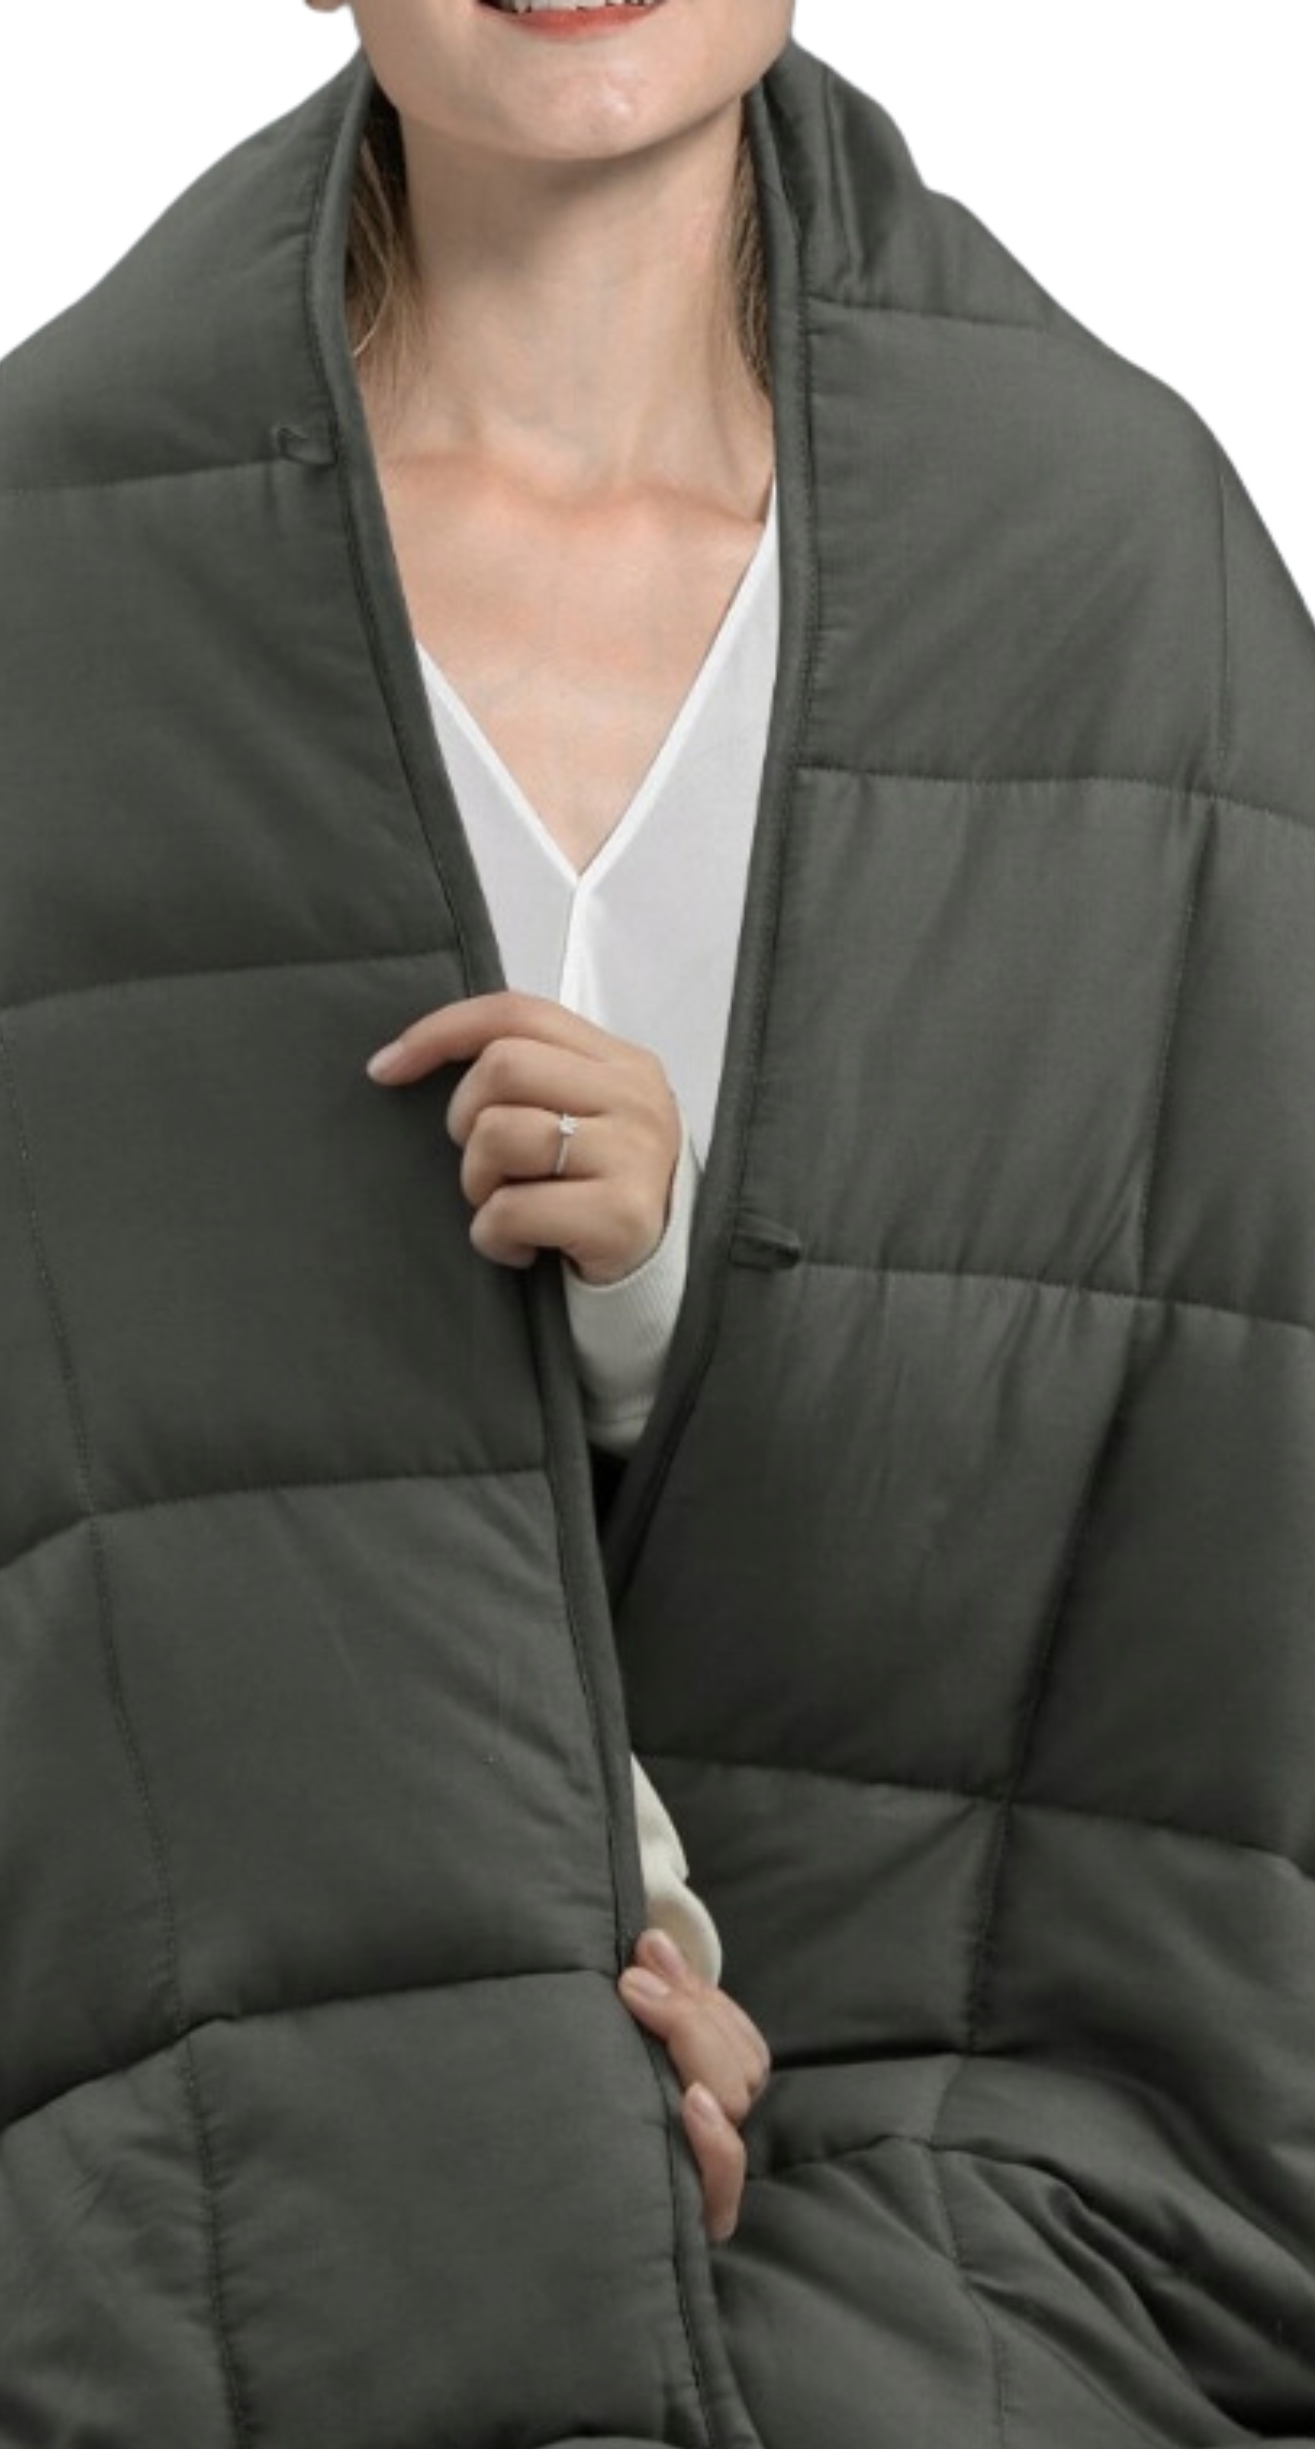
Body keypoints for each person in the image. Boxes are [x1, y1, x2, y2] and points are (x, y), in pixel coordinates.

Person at [304, 0, 787, 2245]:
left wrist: (665, 1280)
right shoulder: (72, 547)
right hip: (302, 1875)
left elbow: (1233, 1459)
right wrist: (601, 1947)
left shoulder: (1100, 552)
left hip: (968, 1898)